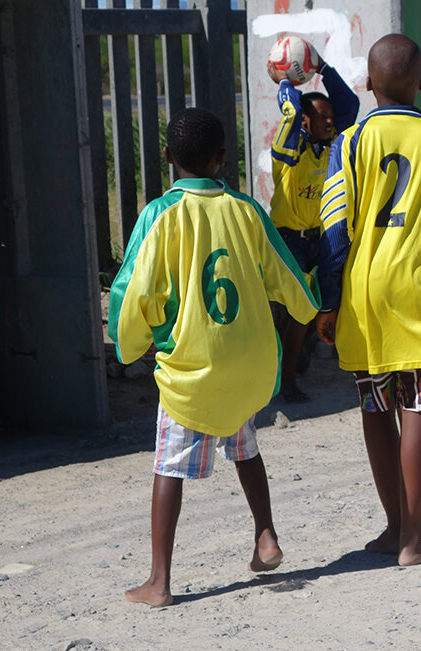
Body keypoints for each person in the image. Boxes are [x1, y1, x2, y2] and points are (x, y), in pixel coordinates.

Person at [108, 108, 321, 606]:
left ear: (166, 157)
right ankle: (266, 535)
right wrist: (312, 310)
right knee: (244, 447)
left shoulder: (159, 215)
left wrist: (133, 345)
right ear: (223, 158)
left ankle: (158, 582)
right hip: (248, 367)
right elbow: (288, 275)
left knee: (168, 465)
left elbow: (132, 291)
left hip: (193, 369)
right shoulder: (246, 210)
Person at [314, 34, 421, 565]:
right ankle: (414, 541)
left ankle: (393, 528)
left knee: (375, 407)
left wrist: (329, 301)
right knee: (419, 409)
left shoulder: (348, 143)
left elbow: (333, 230)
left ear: (367, 84)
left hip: (366, 293)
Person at [269, 47, 359, 403]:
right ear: (304, 122)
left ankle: (298, 352)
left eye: (330, 117)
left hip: (320, 239)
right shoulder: (290, 147)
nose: (330, 121)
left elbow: (349, 104)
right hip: (287, 240)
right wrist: (287, 81)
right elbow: (291, 112)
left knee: (321, 303)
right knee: (301, 309)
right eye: (322, 117)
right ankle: (286, 381)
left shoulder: (334, 146)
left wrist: (322, 68)